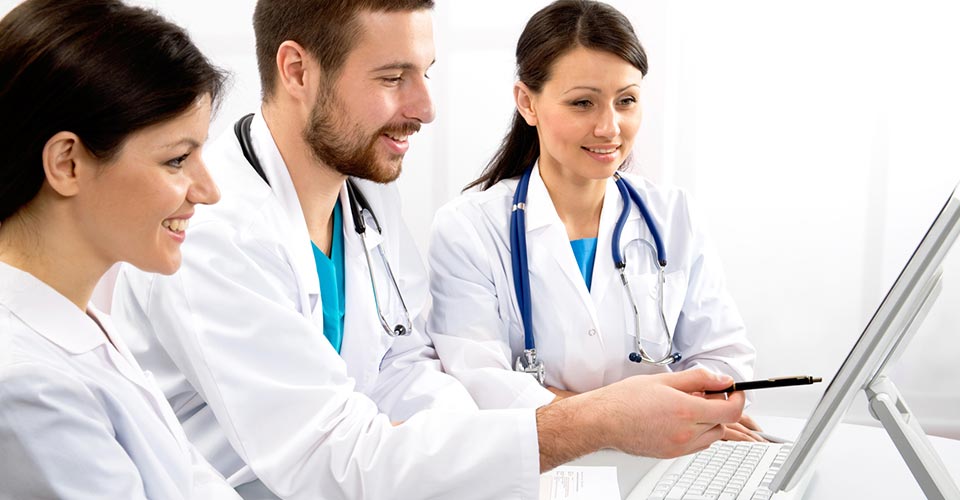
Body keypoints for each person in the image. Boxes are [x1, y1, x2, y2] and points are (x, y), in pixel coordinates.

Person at [111, 1, 746, 498]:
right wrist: (591, 423)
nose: (426, 108)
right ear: (298, 70)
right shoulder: (211, 232)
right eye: (394, 78)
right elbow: (330, 460)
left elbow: (407, 365)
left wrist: (471, 457)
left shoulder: (363, 194)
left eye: (425, 74)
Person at [426, 0, 761, 441]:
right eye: (583, 103)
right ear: (527, 102)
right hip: (539, 465)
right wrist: (631, 421)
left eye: (627, 101)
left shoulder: (672, 216)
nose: (610, 127)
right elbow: (482, 389)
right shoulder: (468, 229)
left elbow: (725, 363)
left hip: (667, 454)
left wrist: (685, 412)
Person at [0, 1, 240, 498]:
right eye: (177, 160)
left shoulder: (81, 323)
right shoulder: (24, 386)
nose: (208, 190)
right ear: (67, 163)